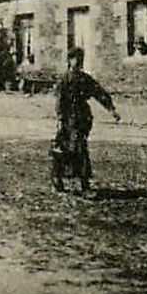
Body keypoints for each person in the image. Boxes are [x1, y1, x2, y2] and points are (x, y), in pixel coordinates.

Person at [52, 47, 119, 195]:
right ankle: (60, 179)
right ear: (69, 61)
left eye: (80, 59)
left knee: (79, 148)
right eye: (75, 58)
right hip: (68, 118)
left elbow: (99, 92)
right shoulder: (64, 80)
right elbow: (59, 101)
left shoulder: (85, 79)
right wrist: (60, 119)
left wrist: (111, 109)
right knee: (66, 149)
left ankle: (82, 183)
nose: (78, 62)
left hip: (82, 118)